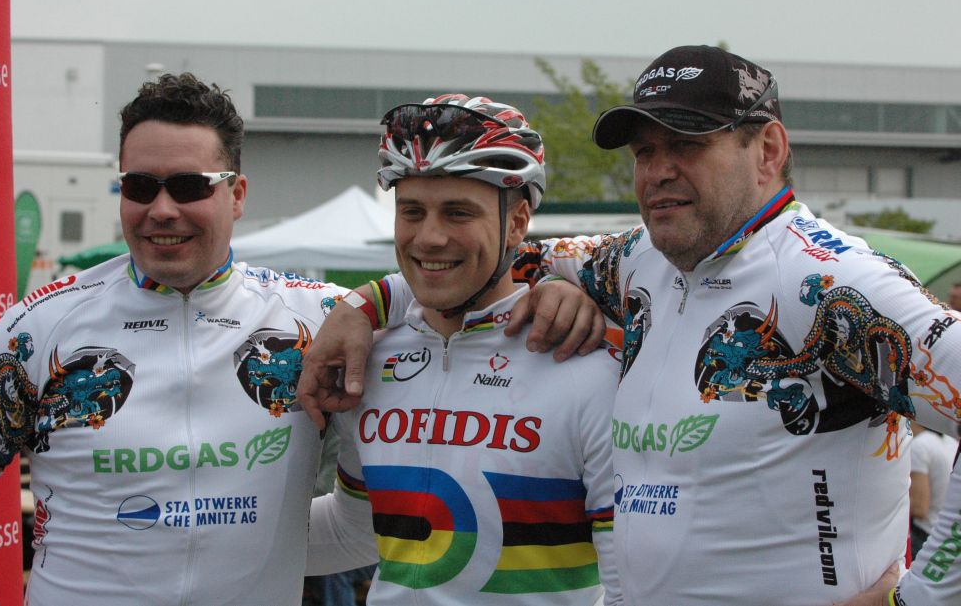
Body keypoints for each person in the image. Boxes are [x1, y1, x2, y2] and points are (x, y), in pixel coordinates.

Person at [298, 46, 961, 605]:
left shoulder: (832, 281)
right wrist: (364, 307)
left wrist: (917, 600)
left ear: (767, 149)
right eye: (645, 151)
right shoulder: (640, 261)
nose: (659, 171)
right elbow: (482, 258)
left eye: (687, 145)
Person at [0, 73, 349, 604]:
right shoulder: (41, 327)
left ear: (237, 195)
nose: (162, 209)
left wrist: (261, 543)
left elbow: (434, 310)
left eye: (189, 186)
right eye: (139, 186)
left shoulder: (321, 320)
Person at [304, 95, 622, 605]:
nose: (429, 238)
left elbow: (631, 577)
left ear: (517, 223)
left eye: (458, 213)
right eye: (412, 211)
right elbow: (355, 532)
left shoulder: (585, 360)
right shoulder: (370, 357)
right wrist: (189, 535)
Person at [908, 422, 958, 556]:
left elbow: (919, 508)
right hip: (948, 536)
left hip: (925, 535)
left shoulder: (920, 445)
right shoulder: (951, 442)